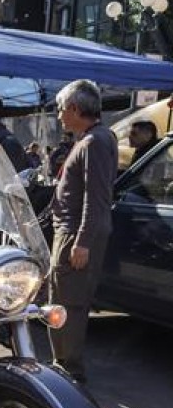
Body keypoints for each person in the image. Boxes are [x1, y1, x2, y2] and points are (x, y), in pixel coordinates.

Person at [48, 79, 117, 384]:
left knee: (68, 305)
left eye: (62, 109)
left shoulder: (95, 141)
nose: (60, 115)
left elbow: (96, 197)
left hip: (75, 235)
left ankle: (68, 371)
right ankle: (64, 365)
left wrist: (82, 242)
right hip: (73, 232)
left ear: (75, 108)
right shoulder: (95, 138)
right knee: (64, 301)